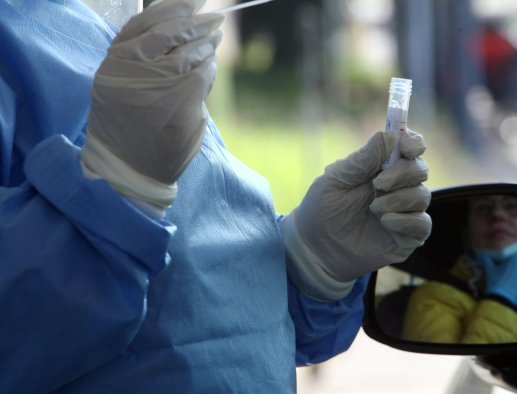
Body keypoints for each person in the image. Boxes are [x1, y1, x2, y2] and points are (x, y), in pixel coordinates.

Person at [0, 0, 432, 392]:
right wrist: (117, 184)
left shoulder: (97, 26)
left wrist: (310, 263)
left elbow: (186, 313)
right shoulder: (20, 39)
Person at [402, 194, 517, 344]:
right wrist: (502, 299)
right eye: (482, 207)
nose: (497, 214)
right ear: (467, 237)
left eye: (512, 206)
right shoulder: (432, 298)